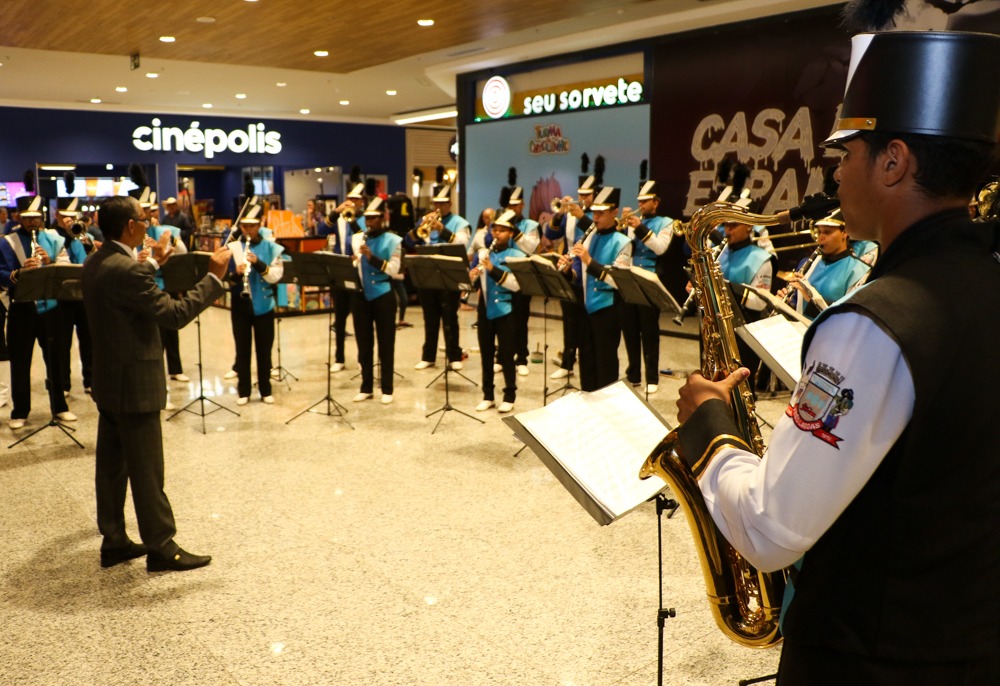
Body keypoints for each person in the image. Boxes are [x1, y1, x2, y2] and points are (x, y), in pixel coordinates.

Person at [672, 30, 1000, 683]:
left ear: (893, 161)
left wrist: (710, 425)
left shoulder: (872, 325)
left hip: (862, 659)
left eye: (844, 152)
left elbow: (769, 531)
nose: (834, 171)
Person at [82, 195, 230, 572]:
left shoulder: (97, 261)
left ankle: (113, 539)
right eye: (144, 220)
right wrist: (213, 278)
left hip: (110, 381)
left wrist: (152, 266)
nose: (149, 226)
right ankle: (162, 547)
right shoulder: (127, 270)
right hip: (136, 383)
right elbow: (174, 314)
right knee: (147, 469)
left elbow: (129, 294)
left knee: (112, 467)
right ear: (130, 226)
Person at [0, 194, 75, 428]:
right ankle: (20, 411)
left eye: (36, 217)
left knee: (55, 358)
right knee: (20, 360)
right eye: (28, 217)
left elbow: (66, 266)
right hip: (21, 308)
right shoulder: (7, 241)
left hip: (50, 308)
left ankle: (60, 407)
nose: (33, 222)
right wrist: (19, 273)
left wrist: (50, 260)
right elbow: (0, 272)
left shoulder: (52, 238)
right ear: (19, 217)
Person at [556, 186, 631, 392]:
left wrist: (589, 260)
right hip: (585, 309)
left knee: (605, 364)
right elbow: (580, 278)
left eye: (600, 213)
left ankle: (606, 410)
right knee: (586, 362)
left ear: (614, 212)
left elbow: (618, 281)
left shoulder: (624, 242)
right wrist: (567, 270)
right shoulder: (589, 237)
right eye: (594, 212)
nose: (595, 217)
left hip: (608, 310)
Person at [222, 205, 284, 405]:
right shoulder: (233, 247)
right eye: (245, 226)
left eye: (252, 226)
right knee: (242, 349)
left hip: (264, 305)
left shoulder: (272, 247)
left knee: (264, 350)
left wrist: (257, 263)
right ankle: (244, 391)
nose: (248, 230)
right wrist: (236, 274)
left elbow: (275, 276)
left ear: (260, 225)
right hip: (240, 306)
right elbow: (225, 280)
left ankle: (265, 389)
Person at [407, 184, 470, 371]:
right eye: (436, 203)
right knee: (430, 317)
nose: (439, 207)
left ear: (450, 204)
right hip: (428, 274)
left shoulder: (460, 222)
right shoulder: (425, 220)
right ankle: (428, 356)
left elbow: (463, 243)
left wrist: (442, 229)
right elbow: (408, 240)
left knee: (450, 317)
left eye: (443, 204)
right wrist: (420, 225)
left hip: (449, 275)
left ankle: (454, 355)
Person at [620, 180, 675, 393]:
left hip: (650, 279)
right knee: (630, 328)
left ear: (655, 202)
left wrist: (639, 227)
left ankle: (652, 377)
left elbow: (660, 248)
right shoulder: (634, 222)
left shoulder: (666, 222)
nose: (640, 205)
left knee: (649, 330)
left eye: (645, 202)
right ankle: (633, 373)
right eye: (639, 201)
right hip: (630, 278)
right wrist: (625, 229)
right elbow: (626, 250)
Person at [470, 210, 525, 413]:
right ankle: (488, 395)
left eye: (502, 230)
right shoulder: (483, 253)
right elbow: (473, 279)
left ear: (511, 233)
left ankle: (509, 394)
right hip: (485, 309)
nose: (497, 233)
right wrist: (473, 274)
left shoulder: (517, 256)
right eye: (495, 229)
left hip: (506, 309)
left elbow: (516, 285)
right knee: (486, 354)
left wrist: (492, 269)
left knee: (507, 353)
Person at [349, 197, 402, 404]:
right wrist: (354, 263)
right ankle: (366, 387)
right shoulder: (358, 238)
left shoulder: (393, 240)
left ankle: (387, 388)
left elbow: (394, 270)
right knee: (363, 343)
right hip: (360, 296)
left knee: (386, 343)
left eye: (373, 219)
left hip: (383, 295)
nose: (369, 223)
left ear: (383, 218)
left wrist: (372, 258)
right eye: (367, 219)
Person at [544, 175, 595, 381]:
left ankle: (585, 362)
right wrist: (559, 214)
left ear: (595, 195)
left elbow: (594, 232)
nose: (582, 198)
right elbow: (551, 234)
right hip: (569, 269)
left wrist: (582, 215)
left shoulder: (596, 216)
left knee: (584, 320)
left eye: (587, 195)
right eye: (580, 195)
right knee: (568, 317)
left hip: (588, 270)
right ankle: (567, 362)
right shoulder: (570, 215)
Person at [777, 210, 869, 320]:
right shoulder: (810, 263)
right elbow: (799, 307)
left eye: (827, 232)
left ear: (845, 232)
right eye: (819, 232)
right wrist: (786, 304)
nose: (820, 237)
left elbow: (849, 317)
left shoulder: (859, 271)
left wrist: (811, 299)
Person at [52, 197, 96, 394]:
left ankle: (91, 380)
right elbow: (54, 259)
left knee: (88, 339)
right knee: (62, 341)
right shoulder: (49, 234)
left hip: (83, 294)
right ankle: (63, 384)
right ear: (57, 215)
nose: (69, 220)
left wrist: (84, 241)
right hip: (61, 295)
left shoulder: (84, 235)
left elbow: (89, 258)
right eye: (64, 216)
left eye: (72, 216)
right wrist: (68, 237)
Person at [321, 183, 366, 374]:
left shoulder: (364, 220)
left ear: (361, 202)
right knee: (339, 317)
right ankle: (339, 358)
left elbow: (364, 239)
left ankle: (362, 358)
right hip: (339, 271)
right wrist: (336, 211)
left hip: (357, 272)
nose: (352, 203)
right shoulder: (339, 218)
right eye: (350, 199)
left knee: (360, 318)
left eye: (356, 200)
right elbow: (323, 229)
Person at [504, 186, 540, 375]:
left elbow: (531, 246)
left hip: (521, 277)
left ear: (523, 205)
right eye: (510, 205)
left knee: (520, 319)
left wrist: (514, 230)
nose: (512, 209)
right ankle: (502, 357)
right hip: (502, 276)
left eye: (516, 206)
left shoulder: (530, 225)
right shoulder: (500, 222)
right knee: (503, 319)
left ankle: (521, 358)